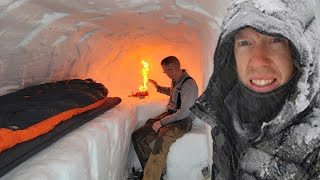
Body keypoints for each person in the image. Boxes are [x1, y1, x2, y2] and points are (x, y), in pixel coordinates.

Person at [190, 0, 320, 179]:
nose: (258, 60)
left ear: (301, 54)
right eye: (244, 43)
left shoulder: (314, 145)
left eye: (276, 40)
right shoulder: (226, 115)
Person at [132, 56, 198, 180]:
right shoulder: (175, 80)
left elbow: (184, 113)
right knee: (138, 136)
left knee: (161, 141)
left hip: (183, 121)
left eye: (166, 71)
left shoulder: (189, 85)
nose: (165, 74)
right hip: (171, 115)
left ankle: (150, 177)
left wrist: (162, 122)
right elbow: (174, 93)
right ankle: (151, 172)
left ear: (172, 69)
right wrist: (158, 88)